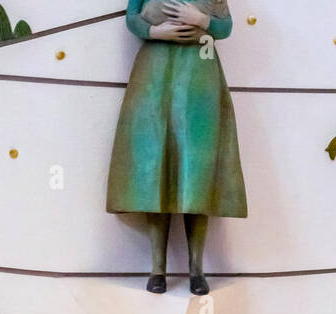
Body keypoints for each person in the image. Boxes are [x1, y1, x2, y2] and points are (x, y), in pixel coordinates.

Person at [106, 0, 248, 295]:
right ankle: (158, 269)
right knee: (156, 165)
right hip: (155, 70)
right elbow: (132, 17)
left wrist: (201, 20)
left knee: (197, 168)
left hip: (199, 71)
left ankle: (197, 270)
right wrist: (155, 31)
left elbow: (226, 26)